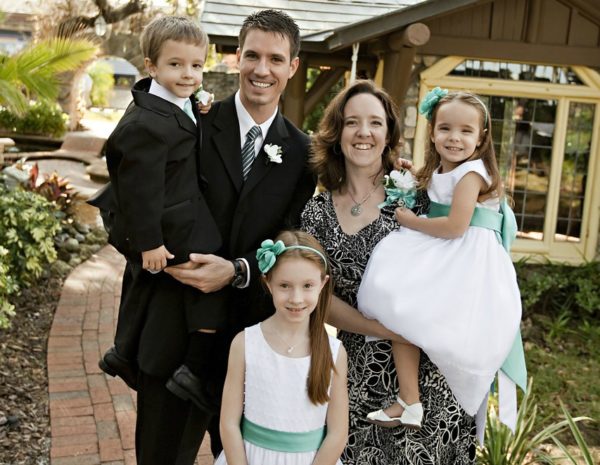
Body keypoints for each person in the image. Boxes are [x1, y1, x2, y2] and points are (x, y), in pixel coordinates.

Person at [155, 9, 316, 463]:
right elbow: (136, 197)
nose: (262, 70)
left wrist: (237, 269)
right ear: (237, 57)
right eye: (253, 56)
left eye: (275, 59)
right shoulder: (194, 122)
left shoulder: (303, 153)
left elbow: (290, 237)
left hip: (252, 336)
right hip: (177, 329)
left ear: (292, 66)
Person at [301, 80, 478, 464]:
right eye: (352, 122)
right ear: (337, 134)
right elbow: (317, 298)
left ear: (389, 134)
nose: (363, 132)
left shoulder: (422, 196)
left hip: (431, 377)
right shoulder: (316, 213)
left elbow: (467, 256)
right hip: (359, 376)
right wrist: (388, 330)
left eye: (375, 123)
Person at [357, 88, 522, 432]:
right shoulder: (446, 169)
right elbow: (436, 190)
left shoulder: (472, 172)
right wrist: (409, 172)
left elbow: (455, 226)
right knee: (397, 309)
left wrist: (410, 222)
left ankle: (413, 399)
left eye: (466, 131)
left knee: (406, 310)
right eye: (445, 128)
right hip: (448, 249)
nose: (454, 138)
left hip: (465, 256)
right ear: (432, 133)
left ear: (481, 138)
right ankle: (409, 400)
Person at [98, 15, 224, 399]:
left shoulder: (173, 100)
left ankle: (123, 352)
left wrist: (199, 105)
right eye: (176, 64)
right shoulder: (145, 125)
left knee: (142, 280)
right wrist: (149, 242)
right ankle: (194, 370)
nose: (189, 74)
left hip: (174, 210)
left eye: (197, 65)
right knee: (214, 273)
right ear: (151, 66)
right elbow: (140, 191)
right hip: (166, 221)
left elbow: (183, 115)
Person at [216, 230, 348, 465]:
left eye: (307, 285)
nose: (296, 298)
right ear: (268, 283)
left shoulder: (334, 352)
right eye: (285, 285)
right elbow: (228, 423)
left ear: (322, 284)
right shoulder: (245, 343)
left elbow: (337, 434)